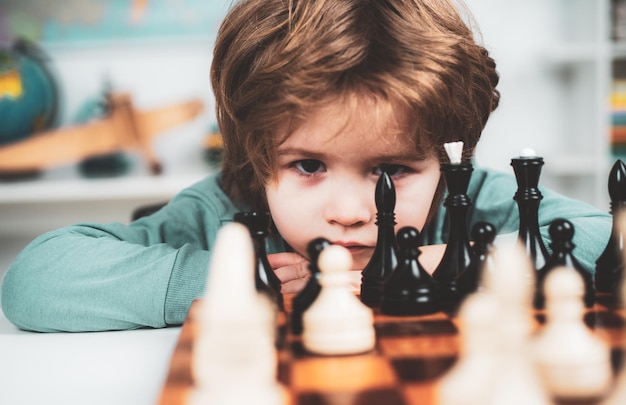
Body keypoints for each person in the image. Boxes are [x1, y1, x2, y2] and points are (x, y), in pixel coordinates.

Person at [0, 0, 611, 332]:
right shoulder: (224, 212)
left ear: (452, 159)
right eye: (308, 165)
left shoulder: (471, 200)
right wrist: (223, 280)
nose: (348, 214)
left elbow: (609, 238)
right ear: (257, 158)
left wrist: (465, 260)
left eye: (392, 170)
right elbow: (34, 283)